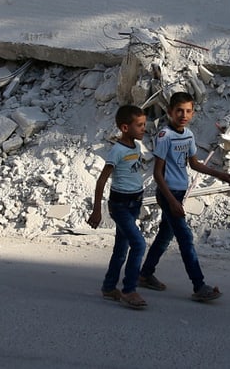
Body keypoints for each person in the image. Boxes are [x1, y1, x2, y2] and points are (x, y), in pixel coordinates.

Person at [138, 91, 230, 302]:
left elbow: (194, 164)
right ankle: (199, 285)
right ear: (170, 112)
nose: (183, 115)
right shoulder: (165, 136)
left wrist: (221, 174)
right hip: (168, 194)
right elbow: (157, 174)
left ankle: (145, 274)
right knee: (185, 239)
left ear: (192, 113)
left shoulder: (188, 135)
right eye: (179, 111)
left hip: (179, 194)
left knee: (165, 236)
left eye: (188, 111)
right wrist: (173, 202)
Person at [87, 104, 149, 310]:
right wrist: (97, 210)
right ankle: (129, 290)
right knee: (139, 244)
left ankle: (109, 287)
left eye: (144, 124)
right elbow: (101, 180)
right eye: (139, 125)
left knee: (121, 248)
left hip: (134, 202)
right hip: (120, 204)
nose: (143, 129)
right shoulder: (117, 150)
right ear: (125, 128)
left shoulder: (137, 147)